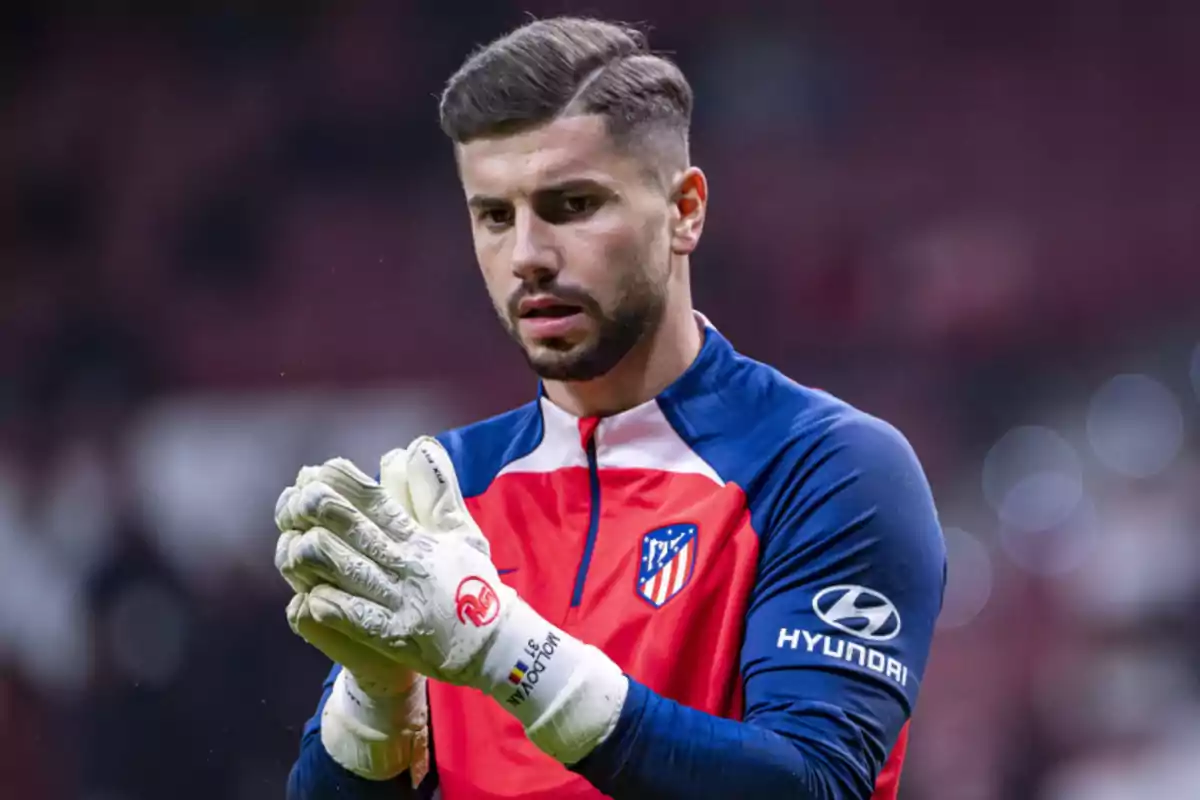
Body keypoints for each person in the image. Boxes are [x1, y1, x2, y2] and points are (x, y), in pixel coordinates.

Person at [276, 16, 946, 800]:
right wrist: (374, 701)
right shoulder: (445, 489)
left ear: (685, 210)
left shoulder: (828, 467)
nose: (527, 254)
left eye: (571, 204)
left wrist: (503, 646)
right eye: (494, 215)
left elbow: (815, 787)